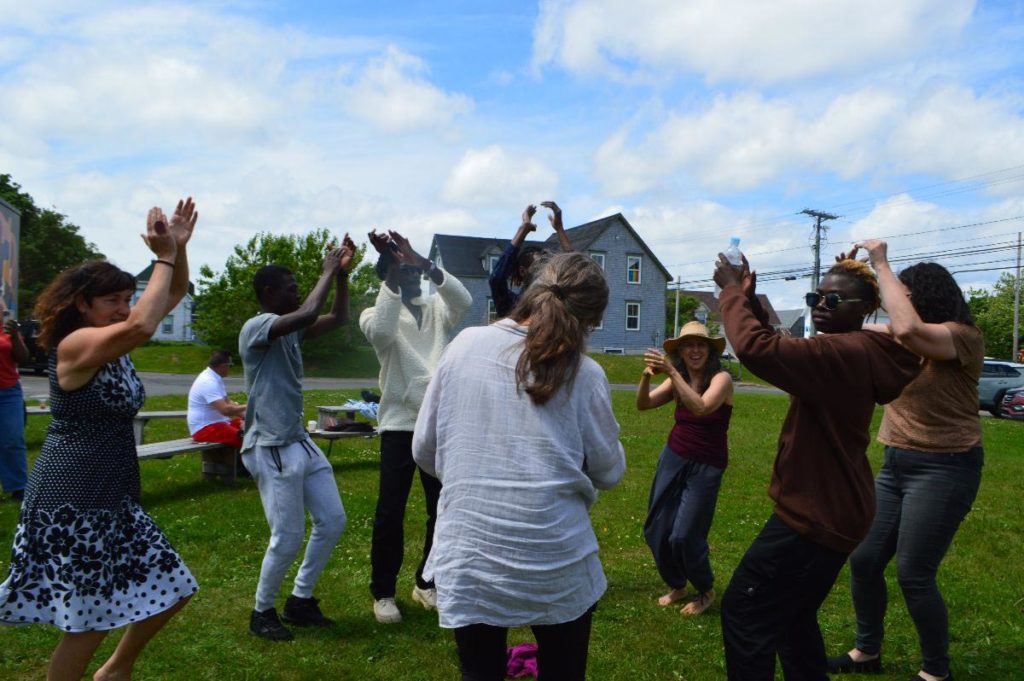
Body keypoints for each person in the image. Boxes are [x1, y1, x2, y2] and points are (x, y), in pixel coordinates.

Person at [0, 198, 199, 680]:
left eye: (128, 297)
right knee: (86, 623)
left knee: (173, 585)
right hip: (74, 501)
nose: (124, 308)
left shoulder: (115, 340)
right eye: (112, 299)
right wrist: (163, 255)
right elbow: (145, 321)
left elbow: (171, 295)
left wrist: (179, 249)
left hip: (111, 496)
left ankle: (115, 670)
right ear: (82, 304)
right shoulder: (75, 345)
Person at [413, 252, 625, 681]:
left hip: (470, 555)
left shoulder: (465, 345)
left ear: (530, 290)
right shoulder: (585, 373)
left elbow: (424, 449)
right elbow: (609, 471)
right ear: (590, 319)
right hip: (556, 560)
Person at [712, 252, 921, 681]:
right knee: (792, 615)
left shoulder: (842, 351)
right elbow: (783, 349)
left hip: (814, 513)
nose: (821, 307)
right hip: (836, 504)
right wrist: (751, 304)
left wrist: (731, 292)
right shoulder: (859, 349)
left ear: (865, 308)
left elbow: (757, 348)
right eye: (816, 298)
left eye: (834, 301)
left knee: (746, 611)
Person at [828, 241, 984, 681]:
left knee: (914, 573)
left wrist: (881, 262)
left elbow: (910, 330)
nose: (902, 305)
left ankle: (936, 672)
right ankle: (867, 652)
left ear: (924, 297)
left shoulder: (962, 337)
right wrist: (852, 275)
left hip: (945, 467)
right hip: (896, 464)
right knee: (864, 560)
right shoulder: (903, 338)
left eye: (906, 295)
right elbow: (855, 328)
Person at [238, 235, 356, 642]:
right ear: (268, 293)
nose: (295, 291)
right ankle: (262, 610)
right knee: (287, 537)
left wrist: (341, 277)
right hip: (269, 446)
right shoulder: (258, 327)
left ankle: (300, 601)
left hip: (297, 441)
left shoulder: (290, 331)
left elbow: (337, 319)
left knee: (333, 520)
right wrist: (325, 271)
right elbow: (307, 313)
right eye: (289, 287)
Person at [360, 229, 472, 624]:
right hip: (399, 425)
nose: (410, 277)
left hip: (438, 424)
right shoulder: (374, 314)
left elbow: (465, 298)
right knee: (390, 512)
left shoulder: (437, 309)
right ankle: (383, 593)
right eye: (400, 272)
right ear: (387, 277)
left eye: (413, 272)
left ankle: (428, 582)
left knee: (441, 509)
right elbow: (385, 333)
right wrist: (393, 266)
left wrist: (422, 261)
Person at [636, 320, 733, 616]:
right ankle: (677, 584)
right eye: (688, 345)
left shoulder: (721, 378)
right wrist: (645, 377)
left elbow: (701, 406)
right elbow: (643, 405)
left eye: (700, 345)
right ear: (680, 350)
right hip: (674, 456)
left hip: (706, 464)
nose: (694, 350)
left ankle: (704, 589)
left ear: (709, 350)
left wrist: (673, 372)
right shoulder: (676, 378)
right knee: (656, 528)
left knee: (685, 535)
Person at [488, 201, 573, 317]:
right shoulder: (514, 305)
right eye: (538, 268)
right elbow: (496, 279)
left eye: (547, 267)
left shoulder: (556, 303)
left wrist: (559, 229)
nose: (545, 273)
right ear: (522, 271)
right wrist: (523, 229)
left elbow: (576, 270)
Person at [0, 299, 29, 502]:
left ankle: (18, 487)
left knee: (12, 440)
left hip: (8, 392)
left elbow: (23, 358)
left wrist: (15, 337)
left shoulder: (8, 330)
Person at [187, 350, 245, 449]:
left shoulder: (215, 378)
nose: (230, 369)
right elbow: (225, 410)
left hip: (217, 423)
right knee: (246, 439)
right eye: (230, 365)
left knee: (251, 428)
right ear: (223, 366)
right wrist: (250, 405)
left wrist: (246, 417)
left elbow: (228, 402)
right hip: (204, 428)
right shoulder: (208, 382)